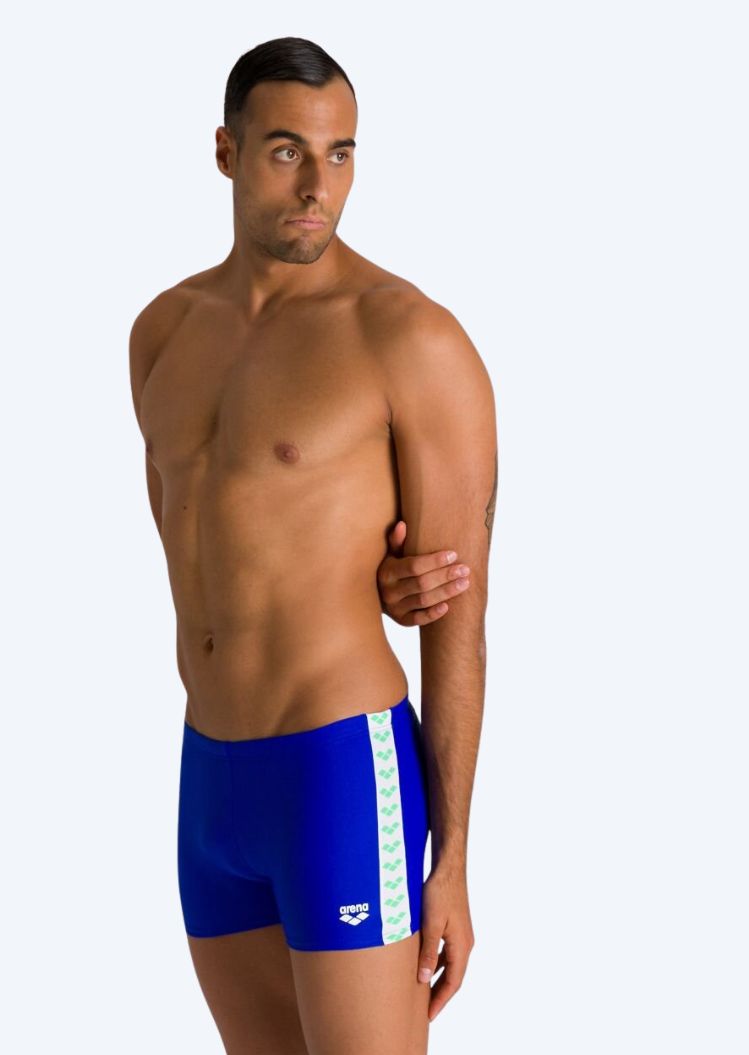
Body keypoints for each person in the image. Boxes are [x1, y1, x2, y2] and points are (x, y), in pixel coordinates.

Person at [129, 36, 497, 1055]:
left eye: (340, 155)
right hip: (209, 778)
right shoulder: (162, 333)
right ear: (227, 151)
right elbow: (211, 545)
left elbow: (459, 617)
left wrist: (452, 858)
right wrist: (347, 562)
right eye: (287, 150)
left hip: (337, 770)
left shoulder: (409, 338)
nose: (316, 186)